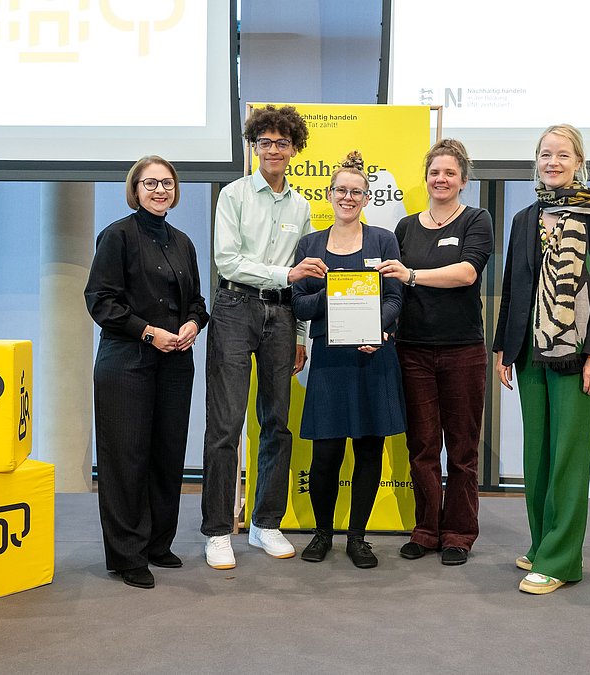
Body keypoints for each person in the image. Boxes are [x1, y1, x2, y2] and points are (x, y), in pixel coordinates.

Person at [492, 124, 590, 594]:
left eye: (562, 155)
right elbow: (513, 289)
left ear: (579, 161)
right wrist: (503, 349)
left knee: (568, 456)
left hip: (575, 354)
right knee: (538, 454)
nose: (553, 162)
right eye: (545, 154)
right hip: (528, 353)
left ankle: (562, 559)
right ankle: (543, 542)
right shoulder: (526, 218)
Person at [201, 105, 327, 569]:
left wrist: (299, 333)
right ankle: (217, 530)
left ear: (295, 149)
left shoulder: (301, 207)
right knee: (226, 424)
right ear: (253, 146)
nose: (273, 150)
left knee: (277, 421)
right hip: (235, 308)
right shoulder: (233, 195)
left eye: (282, 142)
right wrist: (284, 273)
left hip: (283, 315)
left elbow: (306, 277)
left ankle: (264, 524)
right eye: (264, 142)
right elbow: (227, 261)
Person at [84, 155, 209, 589]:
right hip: (127, 361)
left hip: (175, 361)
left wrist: (194, 323)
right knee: (126, 459)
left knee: (166, 453)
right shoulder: (117, 236)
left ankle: (158, 543)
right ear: (135, 189)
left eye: (167, 184)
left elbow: (197, 302)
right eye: (151, 183)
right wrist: (149, 332)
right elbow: (101, 301)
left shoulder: (182, 241)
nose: (160, 191)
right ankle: (126, 555)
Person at [376, 139, 493, 566]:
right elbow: (392, 289)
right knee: (422, 446)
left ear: (463, 179)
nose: (440, 179)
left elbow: (466, 273)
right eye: (434, 172)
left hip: (463, 350)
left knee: (462, 449)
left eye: (449, 172)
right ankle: (426, 530)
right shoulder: (405, 228)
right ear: (426, 177)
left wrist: (411, 274)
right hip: (413, 351)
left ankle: (459, 533)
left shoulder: (477, 220)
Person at [291, 151, 405, 569]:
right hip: (329, 364)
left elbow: (395, 299)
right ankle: (323, 534)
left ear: (366, 198)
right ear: (330, 193)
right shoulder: (310, 245)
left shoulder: (383, 241)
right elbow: (299, 306)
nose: (348, 197)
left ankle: (358, 537)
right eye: (341, 190)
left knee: (369, 451)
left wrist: (377, 330)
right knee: (325, 456)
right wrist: (331, 293)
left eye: (356, 192)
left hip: (373, 359)